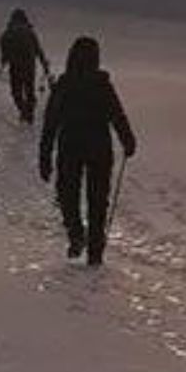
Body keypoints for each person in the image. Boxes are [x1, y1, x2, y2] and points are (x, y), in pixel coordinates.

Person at [38, 36, 136, 265]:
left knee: (67, 196)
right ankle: (94, 250)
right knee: (98, 200)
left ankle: (76, 235)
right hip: (99, 149)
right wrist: (128, 141)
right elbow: (117, 115)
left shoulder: (65, 84)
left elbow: (51, 122)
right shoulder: (102, 85)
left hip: (70, 147)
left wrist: (44, 156)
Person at [0, 10, 50, 124]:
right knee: (29, 91)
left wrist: (3, 61)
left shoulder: (8, 33)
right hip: (29, 66)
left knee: (16, 92)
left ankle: (23, 110)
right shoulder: (30, 33)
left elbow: (4, 49)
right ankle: (29, 114)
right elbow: (38, 50)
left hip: (15, 67)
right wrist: (44, 64)